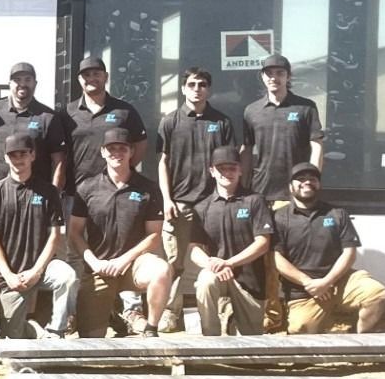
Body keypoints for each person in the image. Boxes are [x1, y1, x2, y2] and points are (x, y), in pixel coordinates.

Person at [69, 128, 171, 338]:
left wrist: (125, 260)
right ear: (103, 152)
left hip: (135, 264)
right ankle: (112, 315)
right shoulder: (86, 188)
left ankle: (151, 329)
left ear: (131, 151)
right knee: (90, 341)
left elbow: (154, 235)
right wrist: (94, 262)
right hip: (100, 267)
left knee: (161, 270)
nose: (117, 152)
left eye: (122, 148)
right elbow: (74, 233)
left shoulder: (148, 188)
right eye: (111, 148)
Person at [156, 67, 236, 331]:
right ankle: (170, 311)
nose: (197, 89)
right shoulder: (170, 121)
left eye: (202, 84)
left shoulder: (222, 122)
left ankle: (224, 309)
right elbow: (163, 163)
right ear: (183, 88)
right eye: (192, 84)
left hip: (214, 204)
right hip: (180, 205)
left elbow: (230, 164)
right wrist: (167, 199)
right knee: (175, 262)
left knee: (220, 258)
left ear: (209, 89)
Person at [0, 132, 77, 340]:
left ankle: (56, 331)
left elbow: (54, 236)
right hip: (12, 275)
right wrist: (8, 275)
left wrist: (36, 270)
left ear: (33, 155)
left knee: (67, 276)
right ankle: (29, 329)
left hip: (42, 268)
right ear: (5, 158)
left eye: (23, 153)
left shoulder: (49, 191)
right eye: (13, 155)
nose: (18, 159)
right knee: (11, 337)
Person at [272, 162, 385, 334]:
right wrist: (309, 283)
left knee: (377, 294)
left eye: (312, 178)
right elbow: (276, 259)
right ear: (290, 187)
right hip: (304, 290)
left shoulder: (337, 213)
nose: (307, 182)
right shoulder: (279, 218)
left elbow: (350, 253)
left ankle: (362, 347)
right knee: (299, 330)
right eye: (300, 179)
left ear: (319, 185)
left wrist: (327, 282)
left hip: (339, 281)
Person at [188, 146, 274, 337]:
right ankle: (212, 342)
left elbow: (263, 243)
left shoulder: (255, 201)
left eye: (232, 168)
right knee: (205, 280)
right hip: (217, 275)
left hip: (250, 281)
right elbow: (194, 249)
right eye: (221, 169)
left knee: (254, 351)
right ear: (212, 171)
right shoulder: (202, 207)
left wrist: (229, 263)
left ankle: (232, 319)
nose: (227, 173)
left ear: (240, 170)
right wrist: (213, 265)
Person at [58, 54, 147, 197]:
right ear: (79, 80)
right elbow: (59, 153)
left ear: (106, 77)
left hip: (114, 191)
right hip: (75, 193)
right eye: (86, 75)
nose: (91, 78)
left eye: (96, 74)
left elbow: (140, 143)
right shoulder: (67, 113)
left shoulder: (125, 111)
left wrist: (126, 168)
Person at [242, 53, 324, 202]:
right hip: (260, 191)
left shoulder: (306, 107)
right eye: (269, 73)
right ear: (262, 76)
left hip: (296, 191)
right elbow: (247, 150)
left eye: (280, 73)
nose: (274, 78)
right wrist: (242, 186)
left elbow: (317, 147)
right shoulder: (251, 110)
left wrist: (311, 181)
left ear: (289, 76)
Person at [0, 61, 66, 191]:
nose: (22, 84)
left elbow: (58, 161)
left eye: (28, 79)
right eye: (17, 80)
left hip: (37, 195)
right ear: (9, 84)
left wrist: (54, 195)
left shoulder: (48, 117)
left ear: (35, 83)